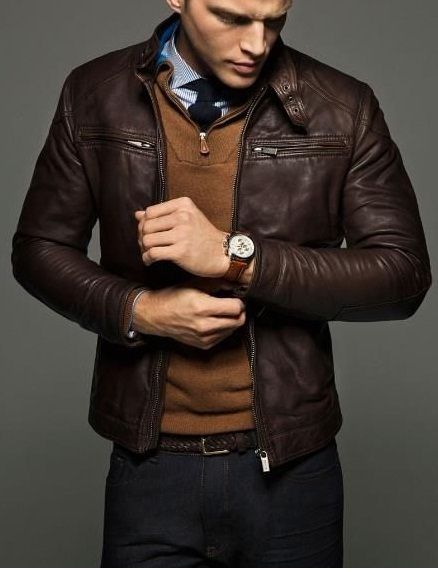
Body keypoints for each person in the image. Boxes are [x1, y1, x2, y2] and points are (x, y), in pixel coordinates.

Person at [11, 0, 432, 567]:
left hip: (292, 470)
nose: (257, 43)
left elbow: (403, 274)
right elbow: (37, 248)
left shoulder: (342, 107)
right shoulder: (94, 94)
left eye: (274, 20)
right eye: (232, 18)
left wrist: (237, 257)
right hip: (147, 468)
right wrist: (140, 310)